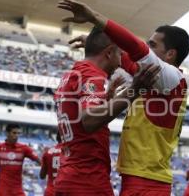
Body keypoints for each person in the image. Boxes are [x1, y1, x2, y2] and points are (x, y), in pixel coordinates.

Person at [58, 0, 189, 195]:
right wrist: (98, 46)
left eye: (152, 45)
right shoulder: (150, 78)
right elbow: (124, 57)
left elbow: (134, 49)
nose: (146, 49)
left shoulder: (172, 78)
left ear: (170, 54)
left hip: (149, 183)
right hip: (136, 179)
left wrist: (96, 18)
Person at [53, 20, 161, 195]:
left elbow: (74, 125)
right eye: (120, 55)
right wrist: (134, 91)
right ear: (109, 53)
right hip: (87, 180)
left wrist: (109, 96)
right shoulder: (92, 74)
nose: (120, 63)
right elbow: (88, 120)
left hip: (69, 177)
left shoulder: (72, 74)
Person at [0, 124, 41, 196]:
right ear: (7, 133)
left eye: (18, 133)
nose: (17, 136)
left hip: (17, 190)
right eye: (14, 133)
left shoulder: (24, 149)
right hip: (2, 190)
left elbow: (40, 161)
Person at [39, 131, 62, 196]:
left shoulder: (48, 152)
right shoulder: (70, 152)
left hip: (50, 191)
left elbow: (42, 176)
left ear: (57, 138)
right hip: (64, 191)